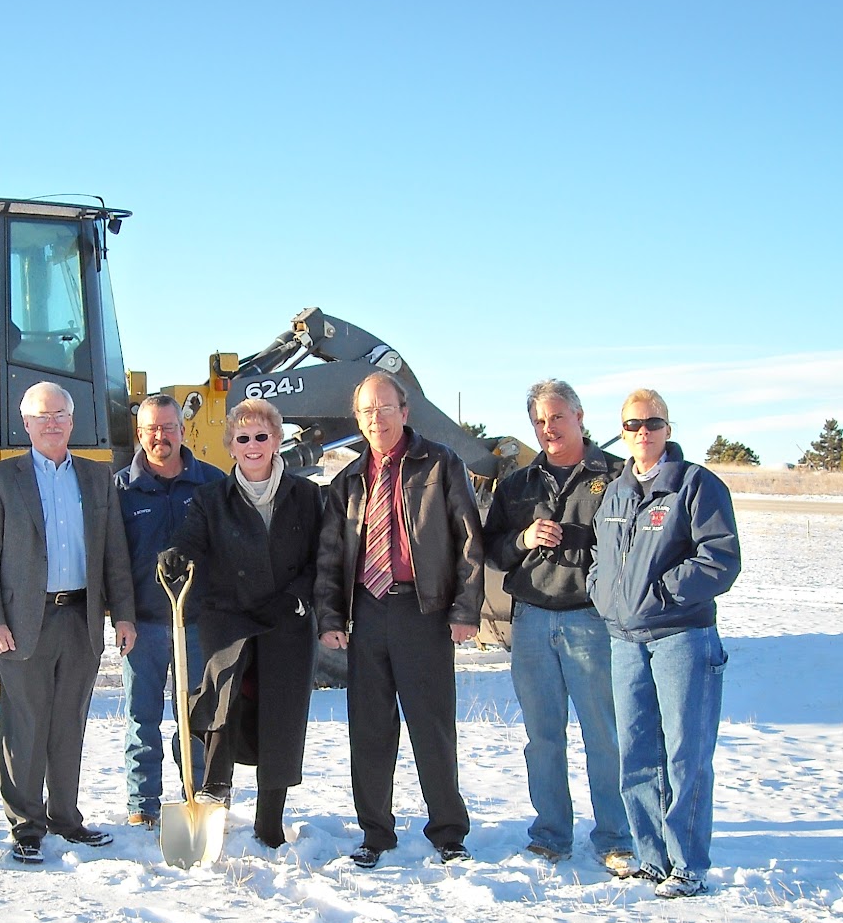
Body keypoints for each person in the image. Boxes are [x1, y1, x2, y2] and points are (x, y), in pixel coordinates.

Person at [314, 372, 485, 868]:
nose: (376, 419)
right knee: (368, 729)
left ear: (404, 412)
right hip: (365, 611)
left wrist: (465, 609)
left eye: (384, 408)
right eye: (366, 411)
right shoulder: (347, 480)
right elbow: (330, 556)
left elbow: (469, 540)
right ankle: (375, 833)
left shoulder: (439, 463)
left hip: (422, 611)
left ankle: (449, 833)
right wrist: (330, 615)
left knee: (431, 727)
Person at [0, 381, 138, 865]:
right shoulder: (2, 479)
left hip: (80, 618)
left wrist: (122, 614)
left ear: (72, 420)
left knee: (69, 724)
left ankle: (66, 817)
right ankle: (26, 824)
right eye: (41, 416)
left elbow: (115, 554)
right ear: (25, 423)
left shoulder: (96, 477)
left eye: (59, 414)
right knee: (25, 724)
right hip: (24, 622)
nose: (51, 423)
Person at [589, 389, 741, 898]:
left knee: (685, 755)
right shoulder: (615, 492)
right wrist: (603, 593)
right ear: (622, 431)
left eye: (652, 423)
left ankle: (688, 864)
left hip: (682, 638)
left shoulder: (696, 486)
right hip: (624, 640)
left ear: (668, 429)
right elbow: (599, 557)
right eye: (632, 425)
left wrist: (661, 593)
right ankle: (652, 858)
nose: (643, 433)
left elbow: (719, 558)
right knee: (637, 754)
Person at [484, 379, 633, 874]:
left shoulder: (614, 477)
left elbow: (631, 546)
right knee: (542, 737)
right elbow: (494, 552)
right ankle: (550, 834)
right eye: (539, 421)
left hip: (590, 620)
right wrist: (525, 537)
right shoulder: (516, 486)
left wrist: (582, 541)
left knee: (603, 734)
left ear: (580, 416)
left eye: (557, 417)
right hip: (530, 621)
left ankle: (615, 836)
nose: (548, 428)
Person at [159, 398, 320, 849]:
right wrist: (176, 556)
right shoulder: (211, 498)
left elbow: (320, 557)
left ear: (276, 440)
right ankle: (211, 801)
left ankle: (270, 819)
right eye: (243, 438)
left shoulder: (306, 495)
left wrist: (296, 599)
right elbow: (190, 540)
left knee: (281, 718)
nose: (252, 446)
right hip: (229, 621)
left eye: (261, 437)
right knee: (219, 707)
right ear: (230, 446)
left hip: (285, 621)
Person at [114, 394, 226, 827]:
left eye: (168, 427)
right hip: (143, 624)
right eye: (151, 429)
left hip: (197, 624)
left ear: (183, 430)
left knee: (195, 716)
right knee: (142, 717)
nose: (161, 436)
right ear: (140, 434)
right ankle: (142, 804)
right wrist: (121, 615)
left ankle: (195, 793)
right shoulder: (121, 490)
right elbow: (114, 561)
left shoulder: (211, 483)